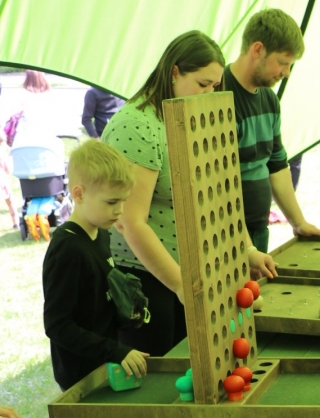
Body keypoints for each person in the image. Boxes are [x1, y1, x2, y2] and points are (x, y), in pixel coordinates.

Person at [103, 30, 276, 357]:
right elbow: (130, 222)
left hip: (189, 272)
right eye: (202, 84)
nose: (208, 94)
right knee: (160, 372)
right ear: (174, 72)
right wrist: (180, 284)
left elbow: (216, 197)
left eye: (215, 86)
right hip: (146, 277)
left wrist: (247, 249)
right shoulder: (137, 126)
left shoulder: (191, 116)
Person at [43, 140, 149, 391]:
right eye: (111, 202)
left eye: (123, 201)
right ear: (79, 194)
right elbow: (58, 325)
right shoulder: (67, 249)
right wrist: (114, 351)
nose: (119, 210)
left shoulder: (101, 233)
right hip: (81, 375)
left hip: (105, 365)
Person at [225, 9, 320, 252]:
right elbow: (216, 183)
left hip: (259, 231)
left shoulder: (270, 100)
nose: (286, 73)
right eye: (282, 63)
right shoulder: (219, 96)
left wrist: (298, 222)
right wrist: (246, 249)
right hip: (225, 237)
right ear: (257, 50)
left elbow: (277, 165)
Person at [0, 132, 19, 229]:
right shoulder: (2, 154)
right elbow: (9, 170)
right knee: (10, 202)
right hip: (2, 181)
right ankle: (16, 223)